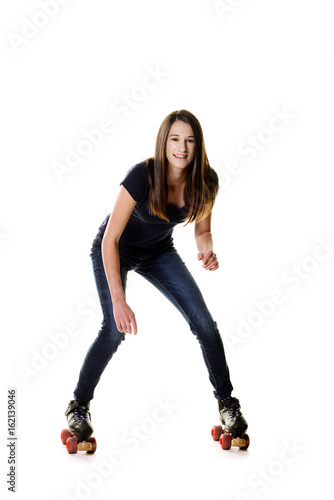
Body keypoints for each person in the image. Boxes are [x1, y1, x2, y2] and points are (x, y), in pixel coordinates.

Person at [64, 109, 248, 443]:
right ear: (164, 143)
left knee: (204, 323)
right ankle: (78, 405)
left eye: (190, 141)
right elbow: (110, 240)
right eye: (175, 139)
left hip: (159, 252)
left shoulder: (207, 181)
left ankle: (227, 402)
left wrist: (207, 250)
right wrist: (119, 300)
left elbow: (203, 230)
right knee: (113, 329)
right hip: (115, 249)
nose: (182, 147)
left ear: (198, 145)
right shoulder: (141, 176)